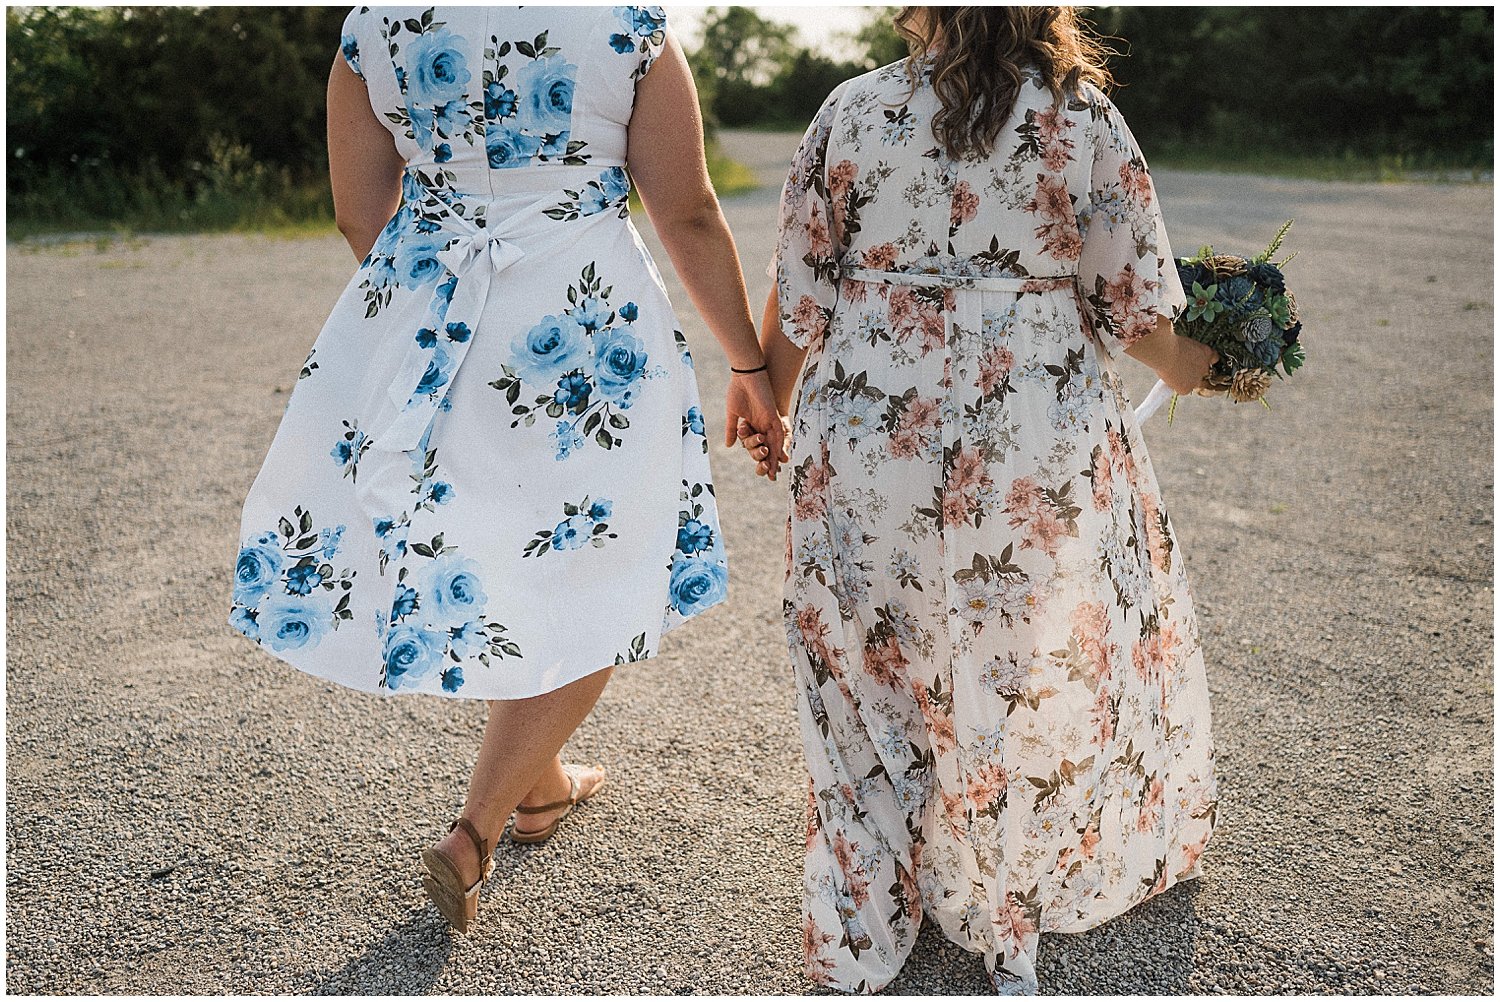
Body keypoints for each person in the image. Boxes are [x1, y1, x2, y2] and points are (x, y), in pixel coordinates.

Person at [228, 5, 781, 934]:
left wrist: (435, 301)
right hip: (582, 318)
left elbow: (358, 210)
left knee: (477, 548)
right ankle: (474, 830)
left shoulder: (377, 27)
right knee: (604, 558)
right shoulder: (625, 24)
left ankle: (543, 786)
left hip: (430, 311)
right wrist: (751, 366)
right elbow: (684, 210)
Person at [737, 6, 1219, 993]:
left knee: (877, 649)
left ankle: (886, 865)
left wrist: (765, 400)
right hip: (1027, 448)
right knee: (1012, 660)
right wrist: (1214, 361)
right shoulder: (1083, 120)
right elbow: (1142, 319)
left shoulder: (853, 112)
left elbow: (802, 290)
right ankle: (998, 858)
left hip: (872, 439)